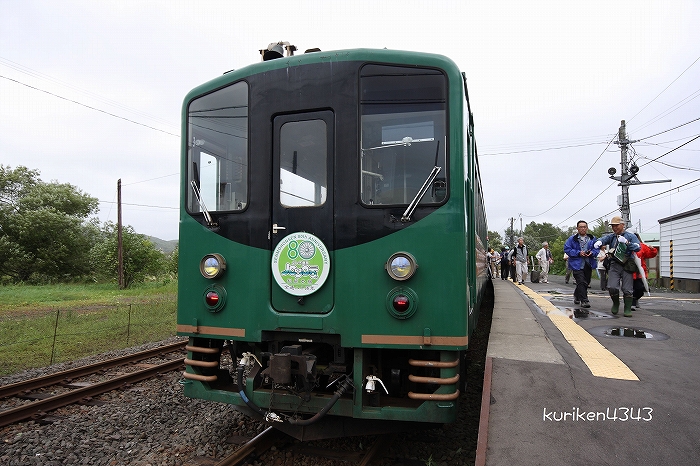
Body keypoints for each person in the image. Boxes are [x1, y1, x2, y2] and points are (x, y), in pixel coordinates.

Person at [594, 216, 641, 317]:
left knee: (627, 288)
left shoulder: (630, 236)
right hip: (615, 263)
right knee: (612, 287)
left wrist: (627, 243)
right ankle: (616, 303)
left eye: (616, 225)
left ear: (622, 225)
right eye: (613, 226)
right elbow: (604, 239)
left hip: (627, 264)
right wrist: (599, 242)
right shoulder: (612, 236)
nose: (614, 228)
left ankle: (627, 308)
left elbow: (638, 247)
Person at [564, 220, 599, 308]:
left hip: (588, 263)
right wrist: (578, 253)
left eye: (584, 227)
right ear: (577, 228)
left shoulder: (592, 238)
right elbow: (567, 249)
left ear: (587, 228)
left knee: (585, 282)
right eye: (581, 227)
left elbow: (597, 249)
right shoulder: (572, 239)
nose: (583, 228)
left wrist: (592, 253)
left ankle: (577, 295)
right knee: (580, 281)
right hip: (576, 264)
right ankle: (584, 300)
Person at [631, 233, 658, 310]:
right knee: (629, 289)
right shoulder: (625, 245)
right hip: (629, 271)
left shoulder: (642, 246)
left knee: (640, 288)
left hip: (640, 272)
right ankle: (632, 303)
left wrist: (653, 249)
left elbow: (651, 254)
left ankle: (635, 299)